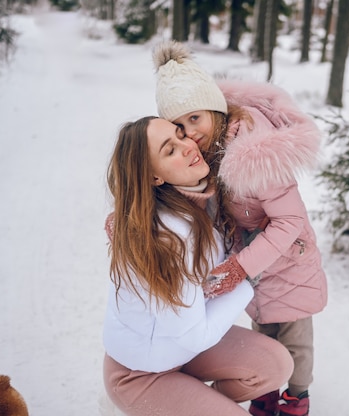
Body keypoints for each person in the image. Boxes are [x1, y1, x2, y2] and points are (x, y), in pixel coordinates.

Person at [152, 41, 328, 416]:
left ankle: (297, 396)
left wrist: (239, 266)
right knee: (262, 328)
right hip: (256, 260)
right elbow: (192, 191)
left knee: (295, 339)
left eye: (195, 119)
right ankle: (266, 388)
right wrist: (137, 214)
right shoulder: (210, 147)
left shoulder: (253, 152)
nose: (189, 132)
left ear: (215, 108)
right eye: (179, 126)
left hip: (288, 262)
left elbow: (289, 219)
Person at [102, 116, 293, 416]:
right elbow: (194, 334)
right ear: (153, 177)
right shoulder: (165, 240)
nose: (188, 146)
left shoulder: (203, 197)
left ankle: (196, 399)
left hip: (183, 350)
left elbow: (204, 285)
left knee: (276, 365)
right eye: (170, 150)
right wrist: (246, 278)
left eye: (181, 135)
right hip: (141, 374)